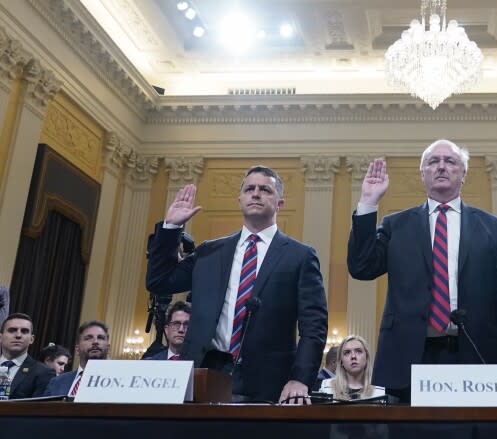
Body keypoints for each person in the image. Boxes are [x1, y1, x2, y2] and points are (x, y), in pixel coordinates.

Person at [347, 139, 497, 402]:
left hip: (477, 357)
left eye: (450, 161)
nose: (441, 167)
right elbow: (362, 267)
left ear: (463, 174)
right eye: (433, 162)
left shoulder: (492, 227)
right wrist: (368, 204)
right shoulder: (396, 224)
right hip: (407, 358)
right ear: (423, 175)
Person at [146, 165, 328, 403]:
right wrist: (171, 228)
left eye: (265, 189)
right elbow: (160, 281)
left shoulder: (300, 256)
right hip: (203, 372)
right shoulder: (209, 252)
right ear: (240, 199)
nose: (256, 193)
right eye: (249, 188)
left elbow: (314, 326)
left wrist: (301, 379)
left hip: (269, 382)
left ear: (279, 204)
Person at [44, 320, 110, 397]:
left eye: (100, 338)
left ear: (108, 348)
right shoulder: (56, 382)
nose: (95, 341)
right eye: (88, 338)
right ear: (77, 349)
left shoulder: (121, 382)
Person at [0, 313, 55, 398]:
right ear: (1, 337)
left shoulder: (44, 373)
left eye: (24, 331)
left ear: (31, 339)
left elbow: (39, 409)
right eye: (12, 330)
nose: (18, 335)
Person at [319, 335, 384, 400]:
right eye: (347, 352)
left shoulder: (380, 390)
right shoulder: (327, 387)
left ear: (366, 357)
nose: (353, 356)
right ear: (341, 361)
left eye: (358, 351)